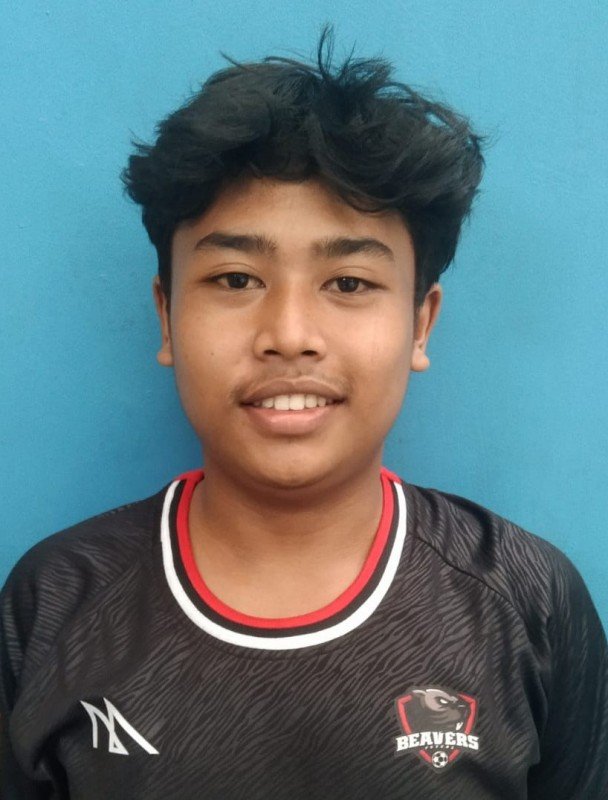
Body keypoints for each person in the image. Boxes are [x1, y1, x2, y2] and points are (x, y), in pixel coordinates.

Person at [1, 29, 606, 800]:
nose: (289, 334)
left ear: (421, 324)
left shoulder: (526, 598)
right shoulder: (56, 600)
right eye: (235, 278)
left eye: (348, 283)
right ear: (166, 317)